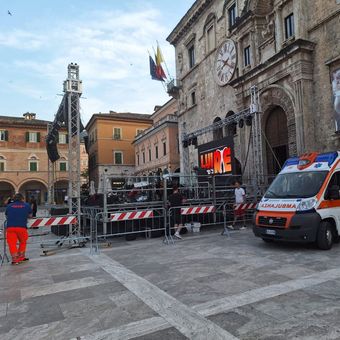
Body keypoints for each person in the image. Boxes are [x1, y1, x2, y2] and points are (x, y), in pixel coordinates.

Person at [5, 193, 32, 265]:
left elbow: (7, 216)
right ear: (22, 199)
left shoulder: (9, 206)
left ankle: (15, 260)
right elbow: (30, 215)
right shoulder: (26, 205)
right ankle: (21, 258)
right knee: (23, 242)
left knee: (12, 244)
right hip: (21, 227)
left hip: (10, 228)